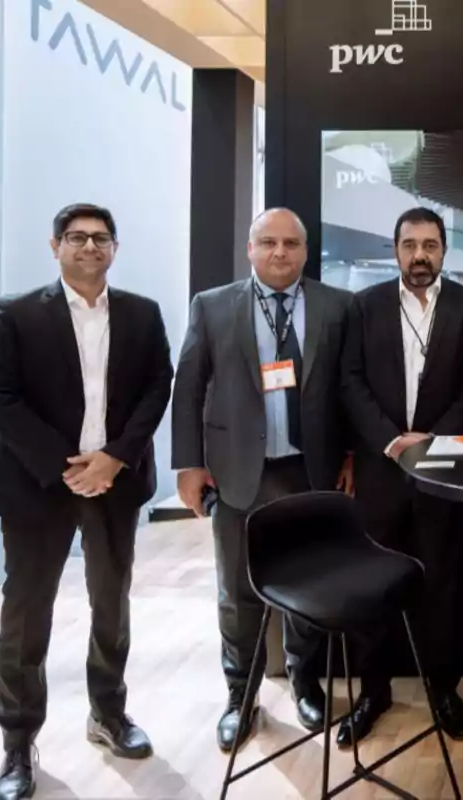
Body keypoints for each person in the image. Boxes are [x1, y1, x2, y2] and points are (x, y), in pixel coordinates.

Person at [0, 203, 173, 800]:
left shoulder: (141, 314)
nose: (90, 247)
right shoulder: (15, 314)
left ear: (114, 248)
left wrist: (115, 457)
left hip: (114, 483)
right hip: (37, 484)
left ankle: (108, 714)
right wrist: (67, 467)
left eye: (101, 238)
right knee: (26, 612)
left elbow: (157, 385)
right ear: (56, 244)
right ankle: (17, 742)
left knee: (111, 603)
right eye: (78, 237)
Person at [170, 208, 355, 753]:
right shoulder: (212, 306)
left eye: (292, 243)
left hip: (311, 470)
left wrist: (351, 454)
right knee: (237, 591)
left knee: (309, 585)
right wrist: (188, 465)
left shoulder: (336, 307)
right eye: (269, 242)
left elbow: (349, 389)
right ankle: (240, 698)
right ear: (250, 248)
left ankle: (305, 682)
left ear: (305, 249)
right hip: (234, 474)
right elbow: (188, 388)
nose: (281, 253)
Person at [339, 206, 463, 746]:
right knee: (374, 587)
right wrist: (390, 440)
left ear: (444, 250)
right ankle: (372, 692)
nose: (420, 255)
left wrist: (430, 440)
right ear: (395, 249)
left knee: (442, 587)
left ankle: (443, 689)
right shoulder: (365, 305)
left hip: (443, 471)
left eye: (429, 245)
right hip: (380, 472)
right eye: (409, 244)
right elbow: (350, 382)